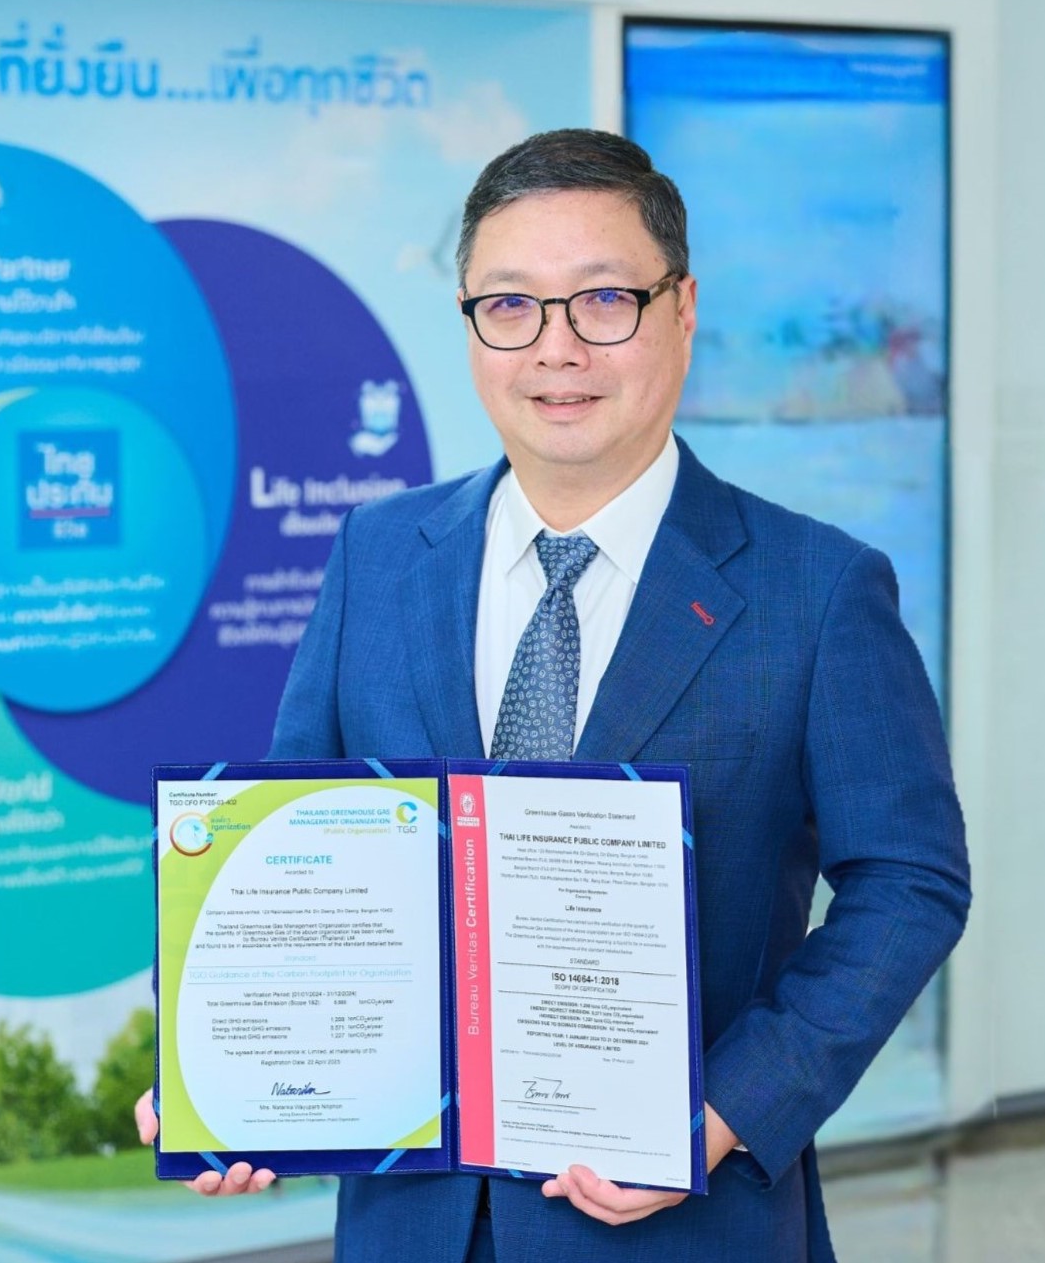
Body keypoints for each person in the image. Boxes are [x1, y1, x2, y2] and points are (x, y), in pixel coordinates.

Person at [135, 129, 971, 1262]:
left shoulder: (816, 589)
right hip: (412, 1225)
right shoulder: (378, 554)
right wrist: (229, 1067)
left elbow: (909, 881)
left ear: (682, 309)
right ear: (472, 325)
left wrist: (726, 1109)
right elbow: (290, 841)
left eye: (604, 300)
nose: (555, 348)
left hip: (682, 1223)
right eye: (510, 305)